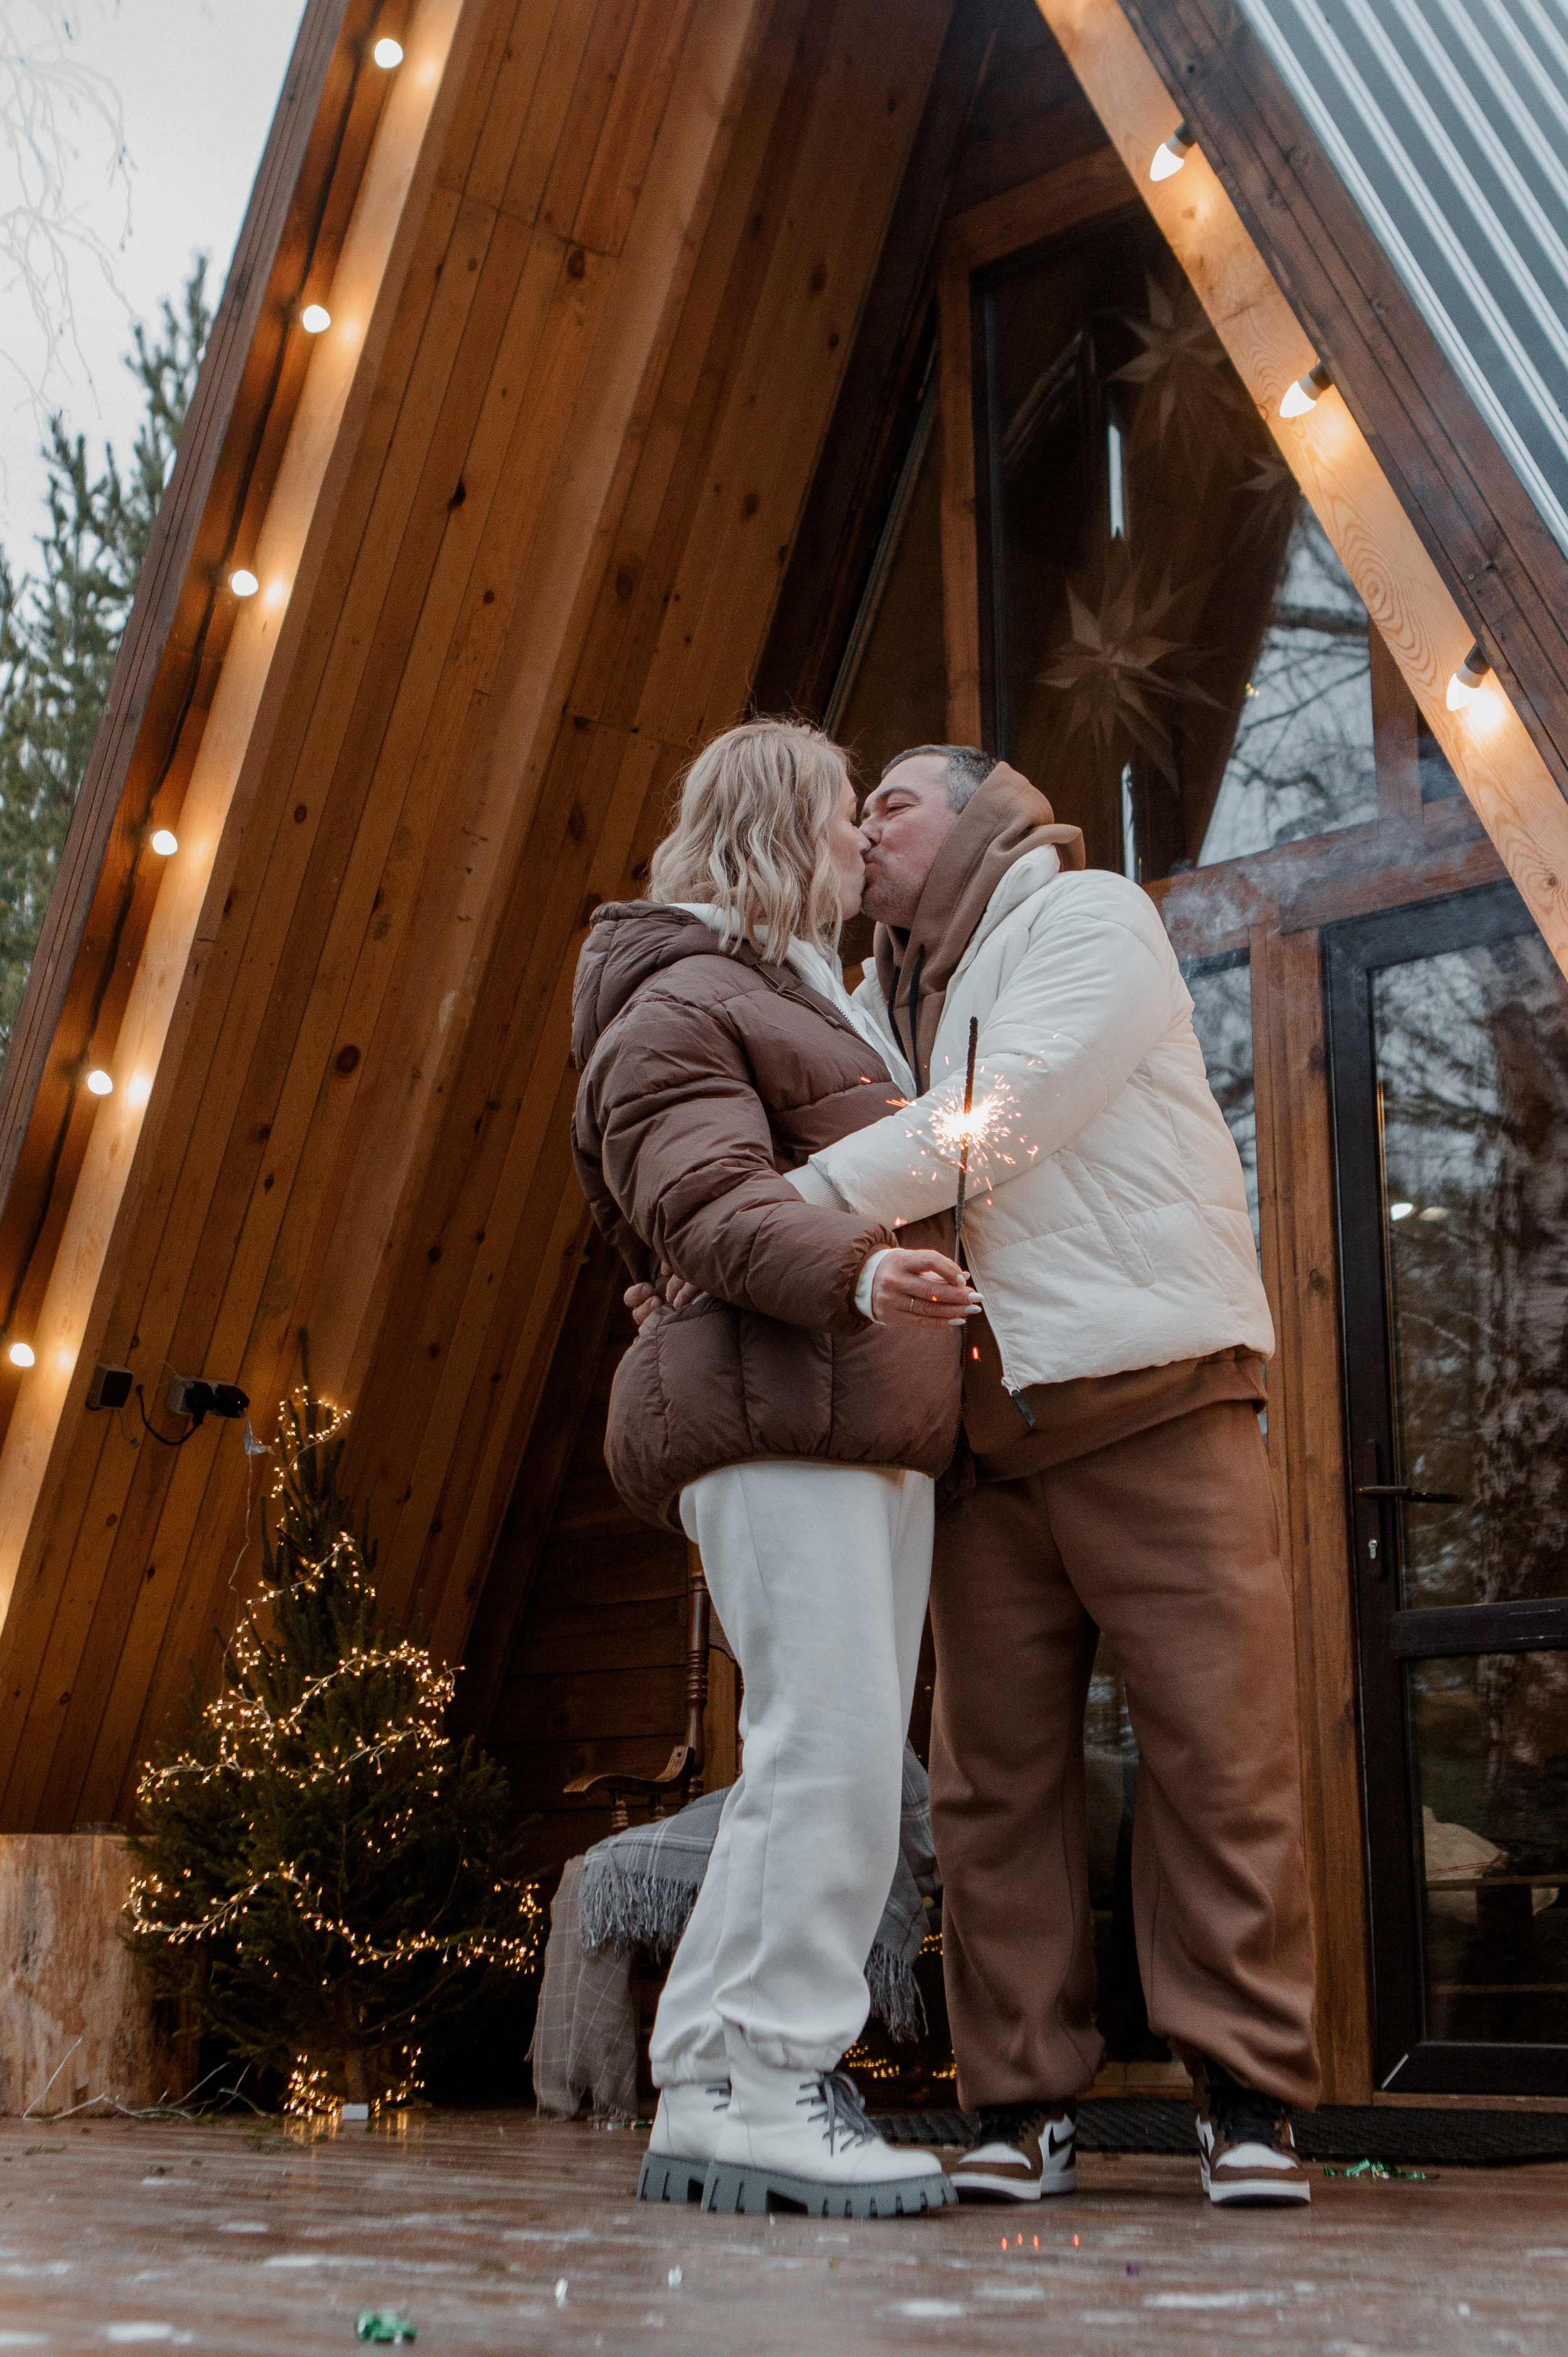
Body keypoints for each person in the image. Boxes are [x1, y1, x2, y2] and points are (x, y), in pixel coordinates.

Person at [642, 742, 1319, 2208]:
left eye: (889, 801)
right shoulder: (877, 992)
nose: (859, 828)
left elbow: (1006, 1114)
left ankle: (1247, 2096)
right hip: (979, 1439)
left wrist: (782, 1214)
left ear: (981, 811)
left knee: (1218, 1752)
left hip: (1149, 1394)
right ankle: (1017, 2102)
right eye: (852, 808)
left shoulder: (1086, 919)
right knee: (988, 1785)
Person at [569, 720, 972, 2220]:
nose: (860, 848)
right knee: (835, 1751)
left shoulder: (811, 994)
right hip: (775, 1406)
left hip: (853, 1417)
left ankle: (717, 2084)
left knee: (825, 1756)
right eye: (835, 820)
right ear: (771, 832)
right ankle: (775, 2073)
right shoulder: (677, 995)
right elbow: (703, 1202)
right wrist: (863, 1280)